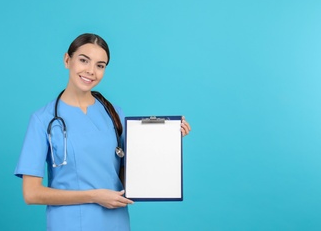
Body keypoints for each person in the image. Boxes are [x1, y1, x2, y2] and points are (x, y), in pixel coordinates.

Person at [14, 33, 191, 231]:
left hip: (115, 222)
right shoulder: (43, 120)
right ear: (67, 60)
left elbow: (132, 175)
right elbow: (31, 194)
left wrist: (165, 137)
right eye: (83, 60)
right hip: (69, 223)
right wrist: (93, 196)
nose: (91, 71)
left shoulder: (113, 113)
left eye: (100, 65)